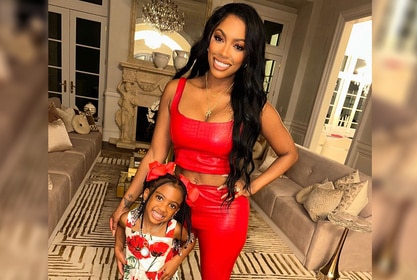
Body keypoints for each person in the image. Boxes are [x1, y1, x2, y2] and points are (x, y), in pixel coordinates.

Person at [111, 3, 298, 279]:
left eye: (238, 46)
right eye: (219, 38)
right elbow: (155, 155)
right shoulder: (176, 90)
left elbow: (289, 153)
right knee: (149, 270)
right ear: (208, 38)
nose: (223, 52)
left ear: (248, 55)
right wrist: (124, 206)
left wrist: (253, 185)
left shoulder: (253, 105)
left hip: (223, 210)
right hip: (177, 199)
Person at [114, 161, 195, 280]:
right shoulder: (128, 219)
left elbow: (191, 240)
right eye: (159, 198)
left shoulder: (173, 229)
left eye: (172, 205)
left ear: (176, 211)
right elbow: (120, 226)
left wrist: (176, 261)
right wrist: (118, 247)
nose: (163, 209)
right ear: (146, 194)